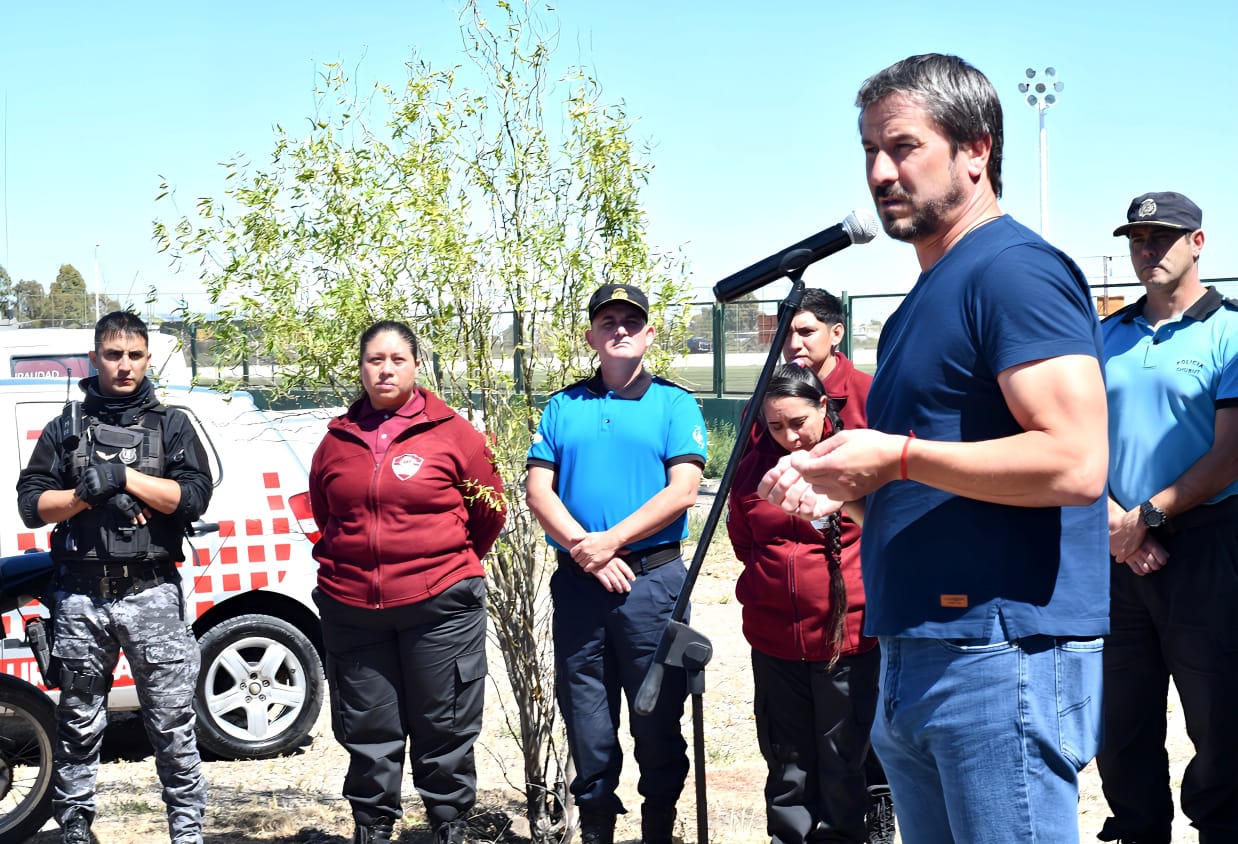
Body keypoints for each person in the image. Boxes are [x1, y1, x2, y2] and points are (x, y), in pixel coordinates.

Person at [758, 54, 1110, 843]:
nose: (882, 171)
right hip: (918, 648)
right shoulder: (928, 295)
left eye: (905, 146)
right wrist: (847, 487)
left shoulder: (1014, 272)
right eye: (870, 152)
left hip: (999, 654)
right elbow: (933, 470)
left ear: (977, 150)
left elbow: (1077, 463)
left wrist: (897, 457)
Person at [16, 311, 214, 844]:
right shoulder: (66, 428)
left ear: (148, 358)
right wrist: (86, 494)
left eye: (134, 355)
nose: (124, 366)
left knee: (172, 726)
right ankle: (76, 828)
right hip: (81, 598)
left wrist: (127, 477)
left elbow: (192, 497)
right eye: (113, 354)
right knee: (79, 724)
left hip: (151, 593)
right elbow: (32, 506)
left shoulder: (172, 426)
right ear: (95, 357)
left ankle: (187, 832)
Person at [308, 320, 507, 844]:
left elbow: (489, 510)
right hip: (353, 610)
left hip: (439, 606)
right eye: (376, 359)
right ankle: (372, 829)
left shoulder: (454, 433)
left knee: (444, 727)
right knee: (368, 732)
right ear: (362, 368)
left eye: (398, 359)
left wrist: (444, 566)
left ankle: (448, 827)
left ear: (416, 366)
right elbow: (327, 514)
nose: (386, 369)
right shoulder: (335, 441)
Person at [525, 283, 706, 844]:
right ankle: (596, 829)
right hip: (580, 587)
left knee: (656, 720)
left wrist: (612, 541)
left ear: (650, 334)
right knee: (588, 722)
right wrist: (587, 549)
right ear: (591, 337)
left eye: (632, 321)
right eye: (608, 322)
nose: (620, 329)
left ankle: (659, 830)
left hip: (652, 586)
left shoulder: (675, 404)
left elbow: (683, 490)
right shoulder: (564, 406)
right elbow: (538, 491)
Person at [1095, 192, 1238, 844]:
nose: (1147, 249)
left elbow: (1229, 454)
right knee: (1119, 722)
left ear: (1199, 244)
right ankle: (1136, 829)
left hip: (1207, 547)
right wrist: (1120, 526)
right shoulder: (1106, 335)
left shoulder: (1229, 331)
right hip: (1117, 549)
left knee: (1220, 718)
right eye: (1138, 238)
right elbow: (1075, 442)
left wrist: (1147, 517)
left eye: (1163, 237)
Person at [729, 362, 890, 844]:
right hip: (775, 640)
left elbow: (885, 536)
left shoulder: (858, 457)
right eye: (774, 426)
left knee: (843, 764)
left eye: (798, 422)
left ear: (824, 406)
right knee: (787, 764)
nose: (788, 437)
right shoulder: (753, 465)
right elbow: (744, 542)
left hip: (849, 639)